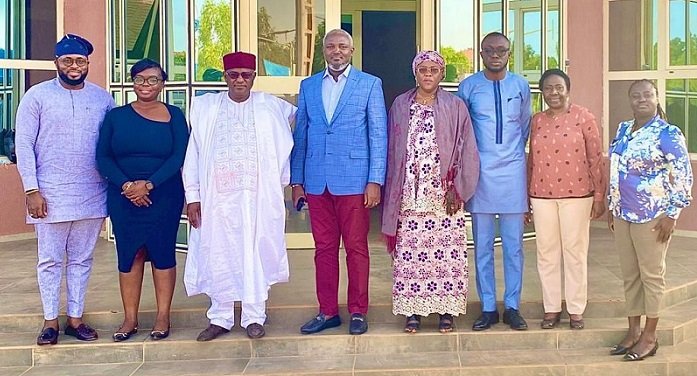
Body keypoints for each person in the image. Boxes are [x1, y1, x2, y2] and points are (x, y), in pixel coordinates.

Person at [182, 51, 296, 341]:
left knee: (254, 252)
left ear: (255, 77)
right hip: (215, 199)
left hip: (257, 199)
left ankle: (254, 316)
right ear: (225, 77)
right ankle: (219, 317)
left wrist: (289, 181)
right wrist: (193, 195)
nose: (240, 80)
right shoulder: (206, 108)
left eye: (246, 74)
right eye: (234, 75)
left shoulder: (272, 107)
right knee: (217, 252)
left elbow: (299, 131)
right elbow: (193, 154)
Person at [15, 34, 116, 345]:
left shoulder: (102, 99)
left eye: (80, 61)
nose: (74, 66)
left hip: (91, 192)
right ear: (56, 63)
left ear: (88, 63)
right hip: (49, 194)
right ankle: (50, 322)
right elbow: (24, 144)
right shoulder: (37, 96)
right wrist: (31, 189)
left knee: (82, 259)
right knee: (50, 260)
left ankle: (75, 318)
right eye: (68, 60)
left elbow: (111, 144)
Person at [291, 28, 387, 335]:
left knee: (357, 248)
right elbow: (301, 135)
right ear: (324, 51)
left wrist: (375, 180)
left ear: (352, 50)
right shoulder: (307, 86)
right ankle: (327, 311)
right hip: (317, 182)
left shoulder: (370, 84)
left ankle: (358, 310)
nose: (337, 51)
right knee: (324, 250)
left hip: (355, 182)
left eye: (342, 46)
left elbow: (377, 134)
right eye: (331, 46)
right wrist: (297, 180)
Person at [382, 51, 479, 333]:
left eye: (433, 70)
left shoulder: (455, 106)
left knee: (444, 256)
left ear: (442, 74)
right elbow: (391, 148)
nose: (427, 74)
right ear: (415, 73)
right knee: (411, 255)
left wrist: (457, 189)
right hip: (409, 197)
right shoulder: (401, 104)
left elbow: (466, 147)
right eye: (422, 69)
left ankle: (445, 312)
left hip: (444, 197)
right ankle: (412, 311)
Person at [96, 59, 189, 342]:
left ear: (163, 84)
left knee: (162, 253)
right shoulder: (115, 116)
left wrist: (148, 185)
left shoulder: (175, 114)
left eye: (152, 79)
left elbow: (179, 156)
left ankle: (163, 316)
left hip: (164, 194)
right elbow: (102, 156)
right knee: (130, 254)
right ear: (131, 82)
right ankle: (130, 319)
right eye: (139, 79)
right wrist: (128, 186)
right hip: (123, 196)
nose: (145, 85)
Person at [608, 79, 693, 361]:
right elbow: (615, 168)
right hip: (622, 214)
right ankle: (632, 331)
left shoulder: (667, 133)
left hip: (652, 216)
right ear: (630, 100)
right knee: (630, 275)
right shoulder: (623, 129)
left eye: (647, 94)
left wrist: (673, 214)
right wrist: (612, 205)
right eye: (636, 95)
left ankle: (650, 336)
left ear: (657, 98)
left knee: (652, 276)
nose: (641, 99)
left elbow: (683, 176)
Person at [457, 32, 532, 331]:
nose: (495, 54)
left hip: (513, 173)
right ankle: (488, 306)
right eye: (489, 50)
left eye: (501, 49)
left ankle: (512, 305)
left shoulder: (521, 85)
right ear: (481, 53)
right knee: (483, 245)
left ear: (509, 52)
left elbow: (524, 126)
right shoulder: (468, 87)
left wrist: (511, 155)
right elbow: (463, 130)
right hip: (481, 175)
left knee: (514, 246)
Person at [528, 69, 605, 330]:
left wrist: (599, 195)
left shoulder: (584, 117)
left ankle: (575, 309)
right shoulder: (537, 120)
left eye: (558, 87)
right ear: (542, 92)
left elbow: (595, 158)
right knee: (546, 253)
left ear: (568, 88)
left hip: (577, 195)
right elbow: (531, 160)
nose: (554, 93)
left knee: (574, 252)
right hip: (541, 195)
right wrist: (526, 194)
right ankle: (551, 309)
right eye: (548, 88)